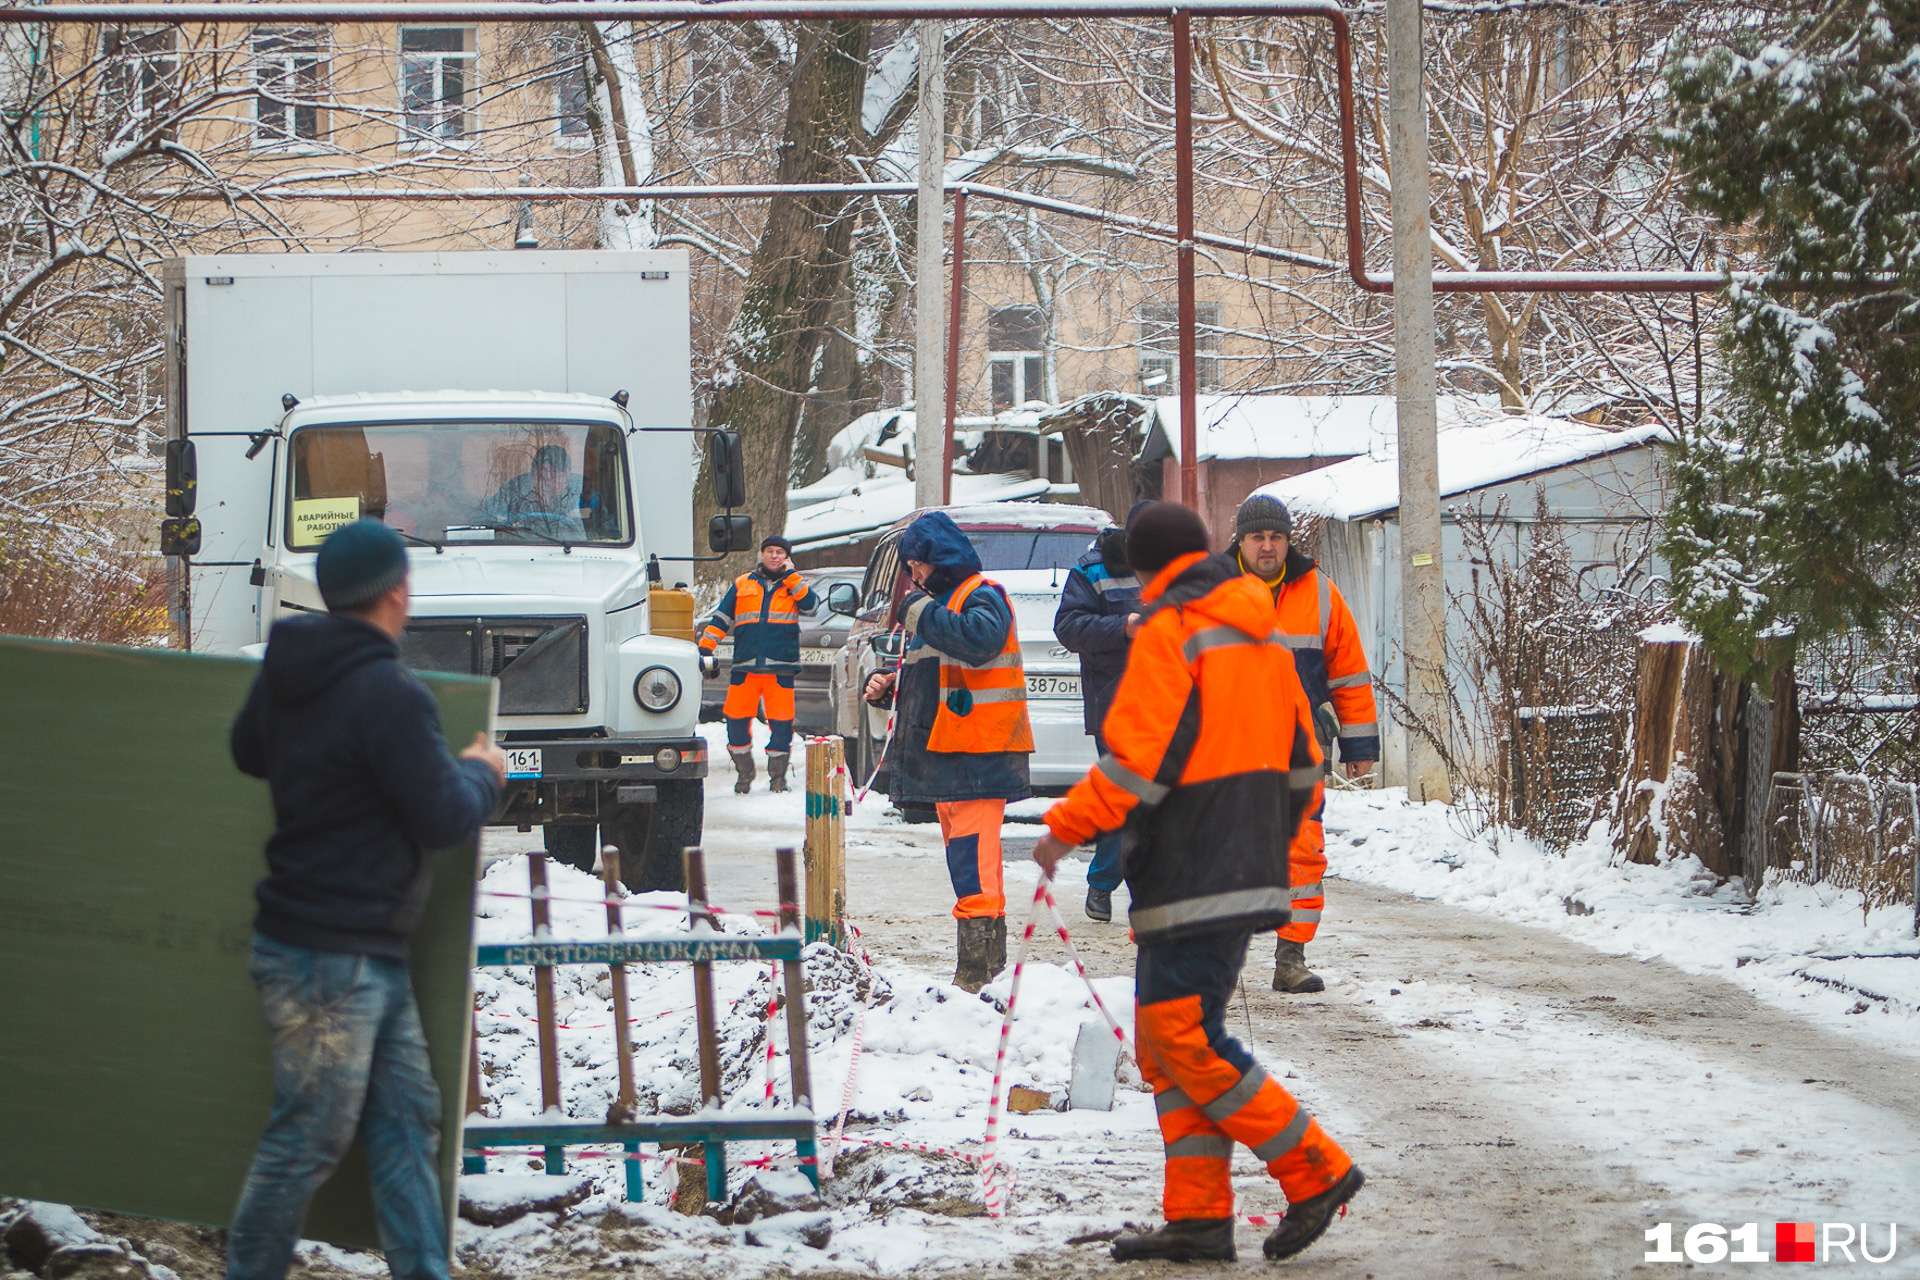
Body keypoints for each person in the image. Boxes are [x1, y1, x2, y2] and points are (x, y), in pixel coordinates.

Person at [1032, 502, 1364, 1264]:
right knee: (1166, 1045)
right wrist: (1265, 838)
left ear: (1145, 572)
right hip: (1241, 866)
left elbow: (1133, 762)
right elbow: (1307, 765)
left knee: (1184, 1038)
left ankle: (1315, 1168)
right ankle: (1198, 1217)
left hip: (1189, 872)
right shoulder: (1262, 634)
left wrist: (1065, 831)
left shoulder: (1172, 632)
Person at [226, 518, 507, 1280]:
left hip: (354, 951)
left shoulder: (290, 669)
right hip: (331, 956)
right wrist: (484, 770)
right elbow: (445, 815)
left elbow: (247, 749)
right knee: (307, 1137)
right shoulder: (389, 693)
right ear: (395, 592)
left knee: (405, 1121)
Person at [862, 510, 1033, 992]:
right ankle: (987, 967)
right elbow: (945, 669)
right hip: (956, 755)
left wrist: (914, 609)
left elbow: (980, 642)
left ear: (938, 559)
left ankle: (977, 972)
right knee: (974, 860)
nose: (912, 577)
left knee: (972, 860)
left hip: (978, 753)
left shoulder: (982, 594)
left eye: (915, 565)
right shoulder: (947, 602)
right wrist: (890, 683)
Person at [1230, 493, 1380, 995]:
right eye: (1258, 537)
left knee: (1302, 850)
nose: (1267, 547)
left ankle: (1290, 958)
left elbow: (1351, 676)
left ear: (1287, 540)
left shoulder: (1320, 592)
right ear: (1241, 540)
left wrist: (1360, 747)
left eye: (1276, 537)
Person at [1052, 503, 1145, 923]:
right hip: (1118, 703)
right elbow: (1069, 627)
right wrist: (1123, 627)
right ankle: (1104, 882)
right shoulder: (1093, 569)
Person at [697, 535, 819, 794]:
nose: (775, 556)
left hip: (781, 669)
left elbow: (811, 606)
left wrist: (792, 576)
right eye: (770, 551)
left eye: (780, 552)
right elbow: (721, 618)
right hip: (745, 667)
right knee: (736, 723)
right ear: (762, 554)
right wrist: (706, 647)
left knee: (782, 726)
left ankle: (777, 779)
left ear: (787, 557)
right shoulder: (742, 583)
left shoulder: (795, 585)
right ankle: (744, 773)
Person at [482, 442, 585, 538]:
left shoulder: (581, 493)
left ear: (567, 474)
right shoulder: (515, 489)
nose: (546, 478)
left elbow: (595, 534)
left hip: (568, 548)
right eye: (542, 471)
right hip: (519, 545)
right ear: (533, 471)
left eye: (554, 472)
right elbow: (488, 513)